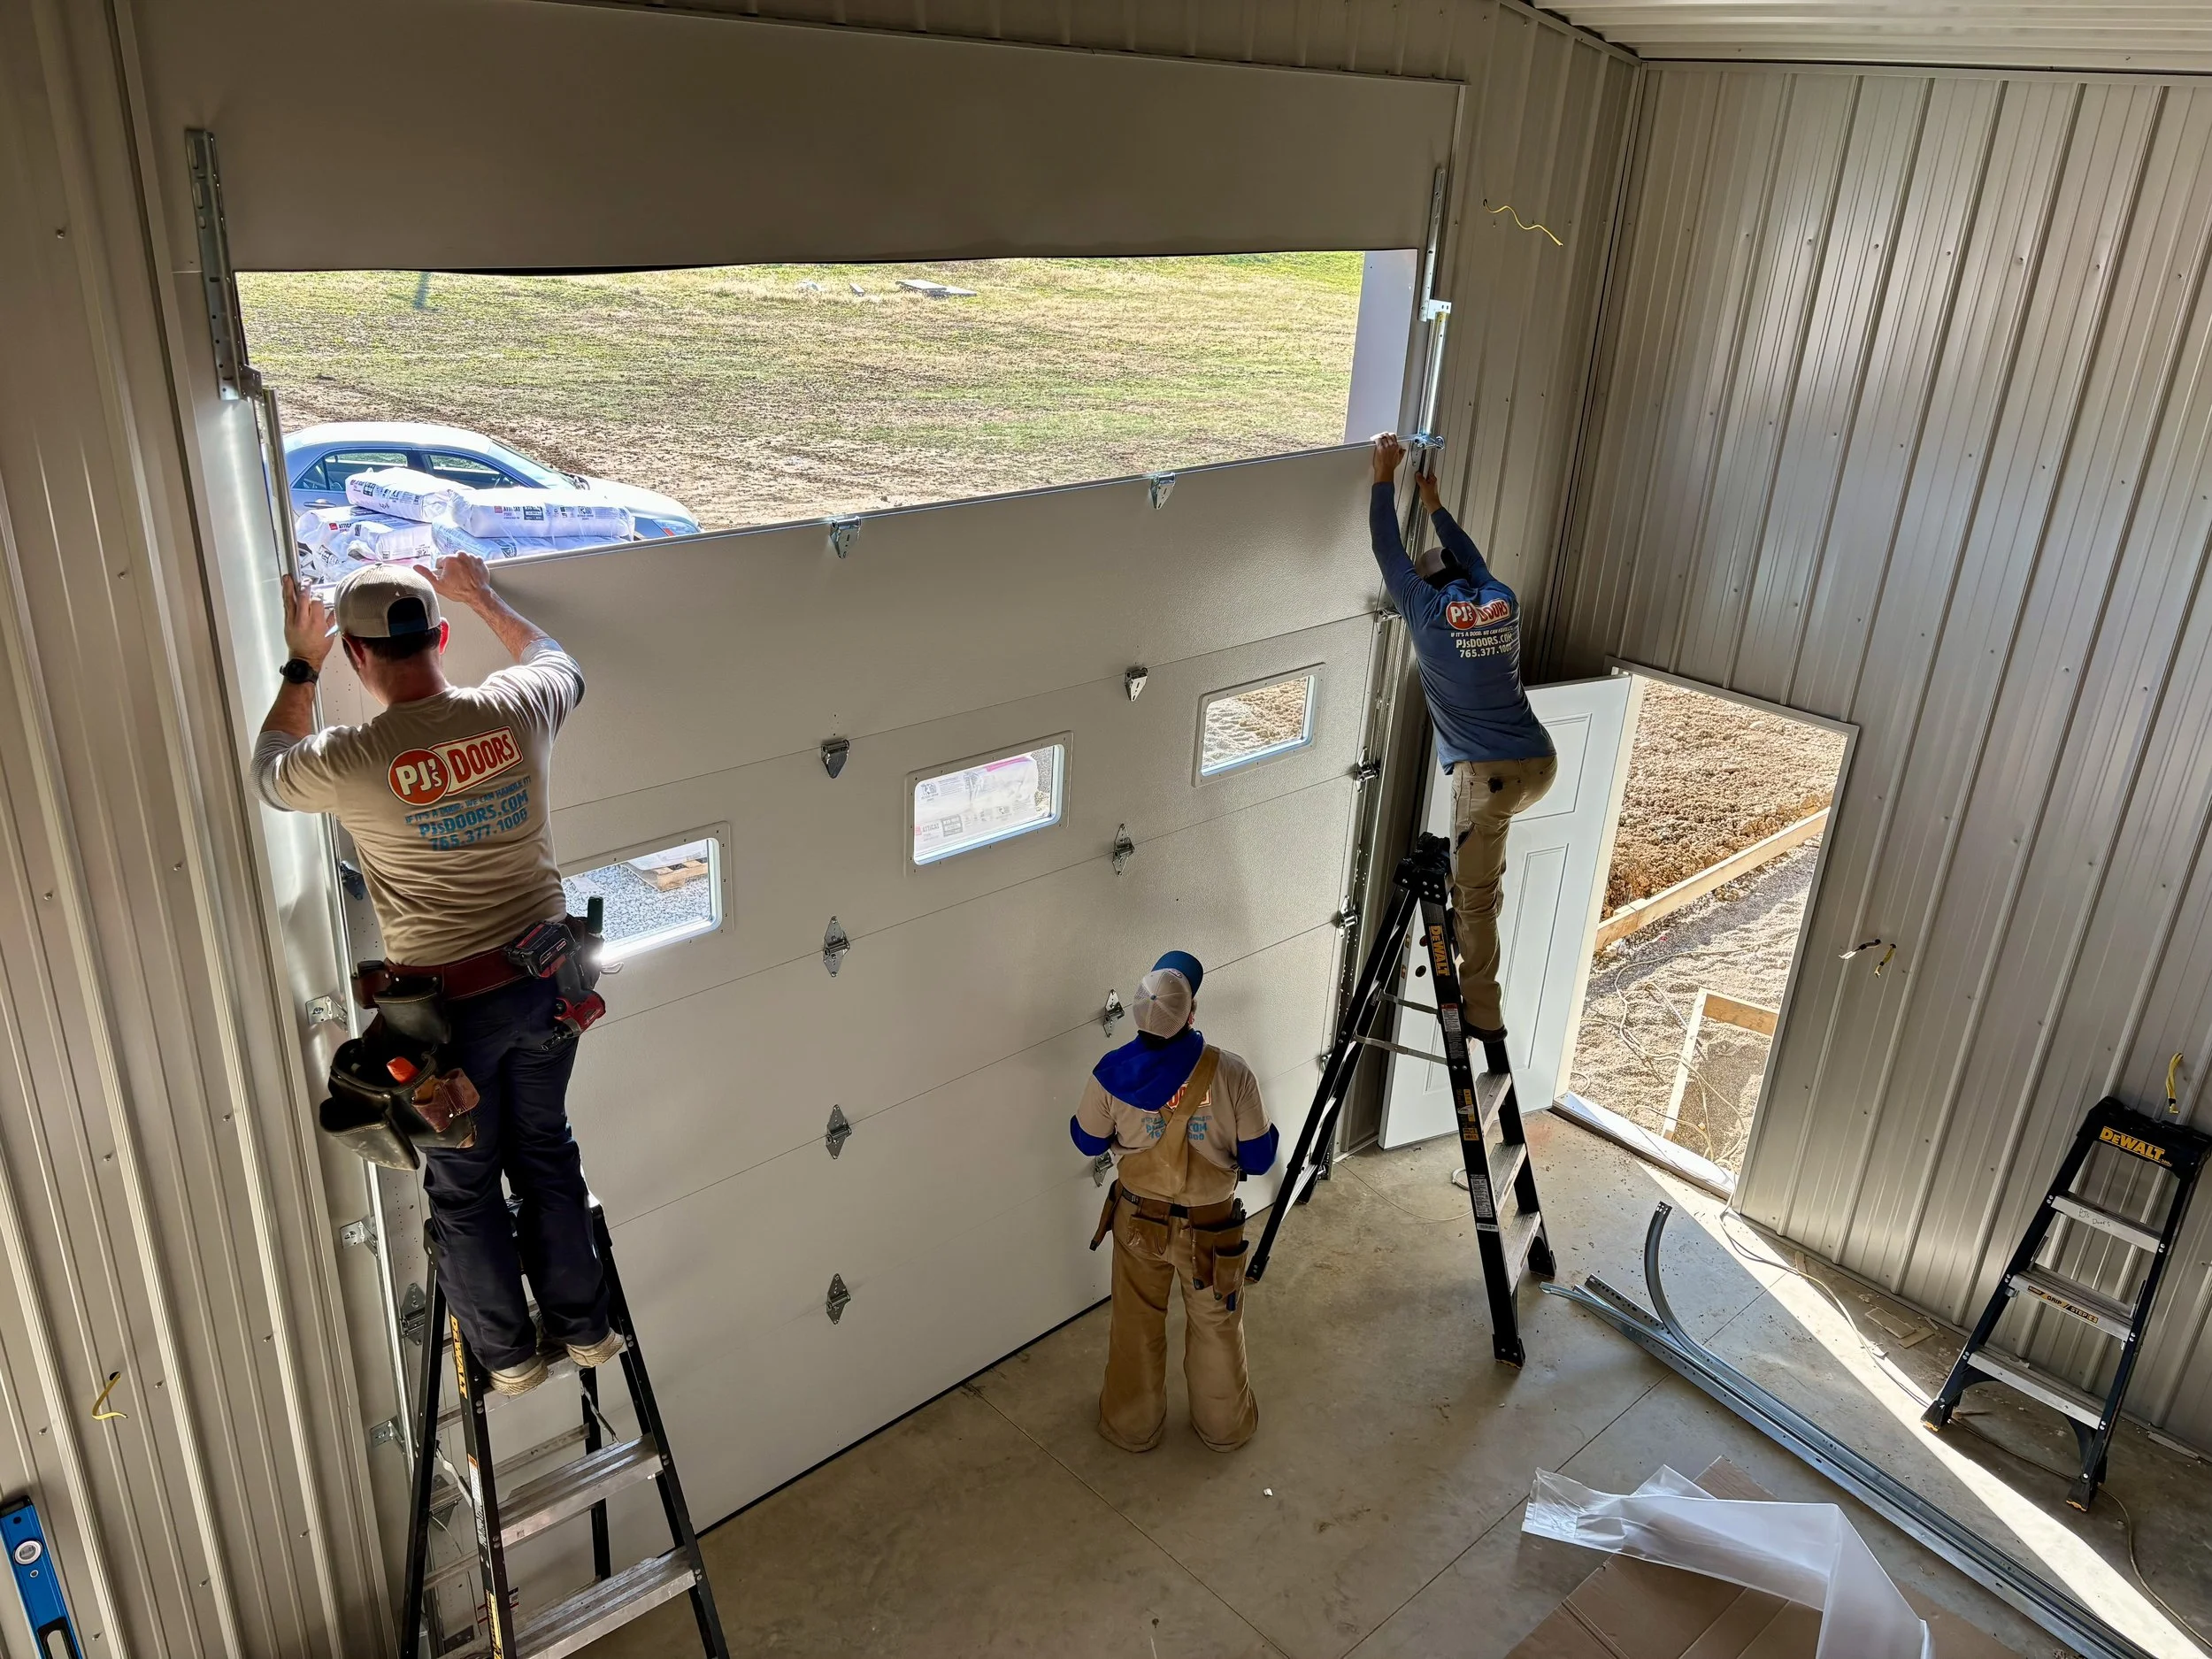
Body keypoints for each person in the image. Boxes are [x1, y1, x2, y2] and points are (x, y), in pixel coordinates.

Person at [251, 556, 616, 1396]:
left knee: (466, 1183)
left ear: (356, 655)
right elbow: (559, 660)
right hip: (550, 987)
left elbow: (271, 768)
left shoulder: (351, 757)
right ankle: (587, 1329)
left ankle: (510, 1357)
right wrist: (482, 593)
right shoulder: (518, 707)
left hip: (449, 1026)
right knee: (546, 1150)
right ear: (441, 636)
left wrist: (301, 663)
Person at [1368, 433, 1556, 1064]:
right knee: (1479, 872)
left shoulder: (1424, 614)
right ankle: (1470, 898)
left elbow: (1386, 549)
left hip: (1489, 778)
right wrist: (1434, 503)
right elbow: (1470, 559)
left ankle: (1483, 1010)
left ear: (1425, 585)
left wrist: (1382, 475)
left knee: (1475, 899)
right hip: (1538, 763)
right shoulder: (1501, 601)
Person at [1071, 953, 1279, 1453]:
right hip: (1211, 1229)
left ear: (1138, 1015)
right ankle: (1224, 1428)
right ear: (1192, 1012)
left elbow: (1086, 1141)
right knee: (1217, 1325)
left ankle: (1131, 1426)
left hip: (1138, 1220)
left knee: (1135, 1324)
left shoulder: (1111, 1074)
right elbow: (1259, 1157)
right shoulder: (1232, 1073)